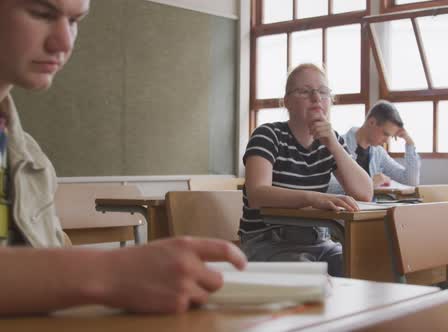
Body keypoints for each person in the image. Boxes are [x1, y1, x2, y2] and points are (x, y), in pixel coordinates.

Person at [0, 0, 246, 315]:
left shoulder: (31, 159)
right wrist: (108, 272)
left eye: (75, 21)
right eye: (41, 14)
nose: (64, 42)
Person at [239, 63, 372, 277]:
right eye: (304, 91)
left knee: (362, 268)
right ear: (287, 102)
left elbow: (365, 193)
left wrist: (334, 146)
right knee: (313, 280)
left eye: (323, 91)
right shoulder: (268, 135)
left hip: (319, 241)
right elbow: (257, 194)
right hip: (267, 241)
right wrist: (313, 198)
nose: (316, 97)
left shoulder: (332, 141)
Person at [327, 100, 420, 195]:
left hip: (370, 208)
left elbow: (410, 181)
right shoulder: (337, 145)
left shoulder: (379, 153)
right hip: (344, 209)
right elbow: (327, 186)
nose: (386, 141)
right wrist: (370, 183)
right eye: (385, 134)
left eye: (390, 136)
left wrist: (409, 143)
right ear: (372, 122)